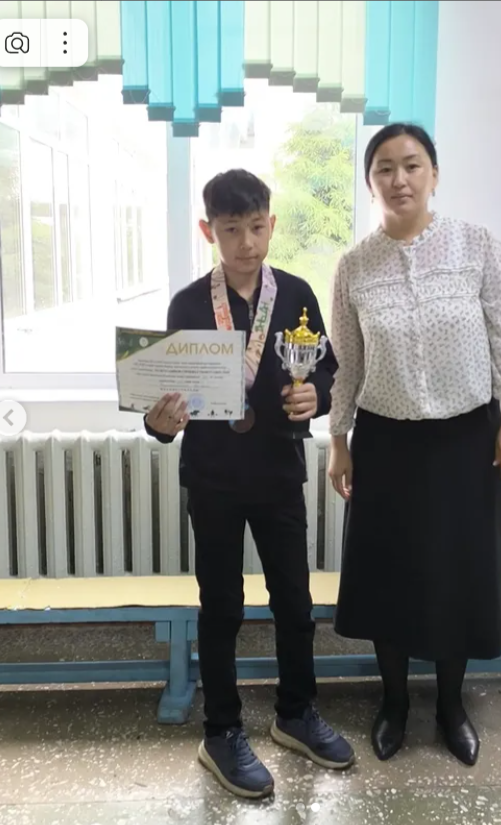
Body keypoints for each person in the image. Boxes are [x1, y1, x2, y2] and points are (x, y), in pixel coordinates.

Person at [144, 169, 354, 799]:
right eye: (231, 230)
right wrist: (159, 423)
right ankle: (221, 731)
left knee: (294, 601)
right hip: (213, 479)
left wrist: (317, 398)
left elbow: (328, 370)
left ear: (272, 223)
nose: (246, 243)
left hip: (279, 473)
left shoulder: (296, 294)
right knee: (222, 607)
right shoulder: (188, 305)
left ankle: (296, 714)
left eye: (257, 227)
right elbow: (164, 402)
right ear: (208, 230)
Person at [328, 123, 501, 767]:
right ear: (370, 184)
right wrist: (338, 440)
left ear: (434, 174)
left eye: (412, 165)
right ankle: (393, 703)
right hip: (385, 441)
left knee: (458, 572)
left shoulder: (477, 246)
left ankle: (449, 705)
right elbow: (347, 364)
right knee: (388, 573)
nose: (399, 179)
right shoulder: (354, 266)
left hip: (467, 439)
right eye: (384, 168)